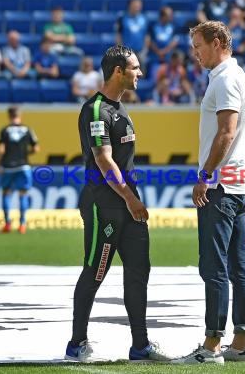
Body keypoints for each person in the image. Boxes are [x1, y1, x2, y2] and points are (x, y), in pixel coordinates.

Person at [65, 45, 171, 363]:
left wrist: (132, 201)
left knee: (139, 270)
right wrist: (130, 199)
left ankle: (141, 346)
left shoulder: (121, 109)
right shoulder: (95, 110)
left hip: (128, 204)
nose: (140, 73)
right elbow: (103, 160)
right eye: (135, 68)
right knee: (96, 271)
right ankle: (77, 343)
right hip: (105, 204)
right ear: (117, 71)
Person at [172, 20, 245, 365]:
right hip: (240, 182)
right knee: (240, 266)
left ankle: (211, 346)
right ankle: (240, 343)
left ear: (218, 42)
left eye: (199, 46)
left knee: (214, 266)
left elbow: (226, 132)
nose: (195, 54)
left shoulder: (225, 78)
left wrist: (205, 175)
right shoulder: (237, 76)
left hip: (221, 186)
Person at [0, 106, 40, 235]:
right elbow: (36, 148)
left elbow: (1, 150)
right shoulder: (27, 129)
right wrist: (25, 153)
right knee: (23, 194)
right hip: (23, 166)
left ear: (9, 116)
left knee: (6, 193)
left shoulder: (5, 130)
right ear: (20, 115)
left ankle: (7, 224)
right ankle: (22, 224)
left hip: (8, 166)